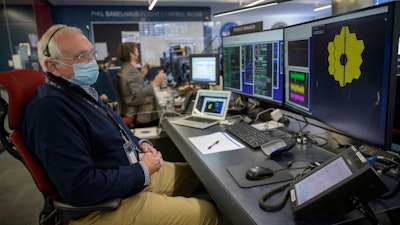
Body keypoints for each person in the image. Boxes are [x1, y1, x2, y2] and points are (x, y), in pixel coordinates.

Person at [22, 24, 221, 225]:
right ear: (52, 65)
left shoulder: (78, 91)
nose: (92, 61)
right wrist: (142, 169)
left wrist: (141, 144)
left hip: (127, 174)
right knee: (207, 213)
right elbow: (80, 187)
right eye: (82, 56)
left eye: (92, 53)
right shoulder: (50, 111)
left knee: (202, 175)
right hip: (107, 204)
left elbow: (115, 128)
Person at [117, 42, 166, 126]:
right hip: (139, 113)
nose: (138, 53)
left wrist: (142, 75)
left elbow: (133, 88)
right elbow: (139, 94)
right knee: (166, 115)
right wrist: (155, 82)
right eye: (136, 51)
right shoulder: (131, 71)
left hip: (132, 109)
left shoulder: (126, 68)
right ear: (132, 54)